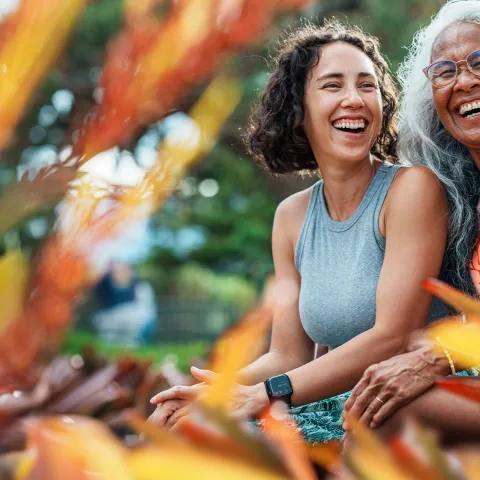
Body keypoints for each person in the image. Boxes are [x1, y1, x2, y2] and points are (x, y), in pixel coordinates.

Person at [148, 20, 452, 443]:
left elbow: (391, 337)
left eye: (367, 86)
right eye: (332, 86)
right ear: (298, 110)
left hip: (403, 399)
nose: (354, 99)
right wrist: (214, 392)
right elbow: (287, 354)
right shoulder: (291, 216)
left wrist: (264, 395)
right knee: (175, 429)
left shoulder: (412, 189)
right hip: (333, 401)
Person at [344, 0, 480, 445]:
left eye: (479, 61)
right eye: (445, 71)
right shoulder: (459, 202)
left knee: (388, 413)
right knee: (375, 404)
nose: (464, 81)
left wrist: (437, 358)